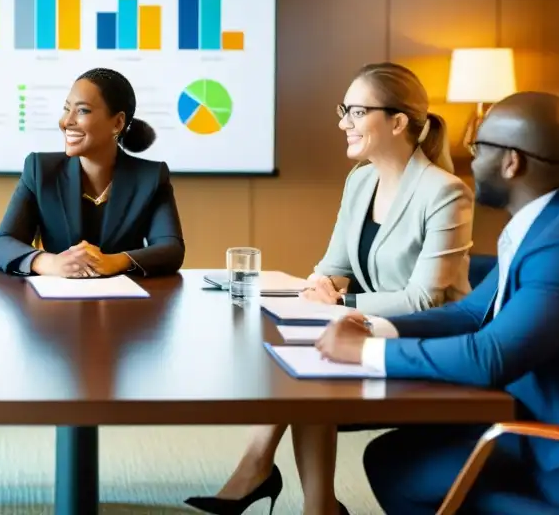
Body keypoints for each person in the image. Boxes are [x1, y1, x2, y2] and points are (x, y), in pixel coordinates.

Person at [187, 62, 475, 515]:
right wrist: (322, 283)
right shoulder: (360, 180)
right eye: (344, 110)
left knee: (309, 370)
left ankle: (271, 481)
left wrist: (342, 300)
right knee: (291, 356)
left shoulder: (445, 192)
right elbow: (332, 266)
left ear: (398, 122)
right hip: (368, 326)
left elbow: (425, 300)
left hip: (427, 342)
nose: (343, 123)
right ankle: (308, 500)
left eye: (357, 112)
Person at [317, 91, 559, 515]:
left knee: (407, 472)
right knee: (393, 461)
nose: (470, 163)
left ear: (512, 161)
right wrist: (374, 327)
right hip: (528, 420)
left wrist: (364, 351)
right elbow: (475, 313)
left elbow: (490, 355)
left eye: (480, 149)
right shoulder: (545, 222)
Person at [0, 67, 184, 278]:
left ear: (117, 122)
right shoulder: (40, 169)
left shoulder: (151, 177)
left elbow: (171, 249)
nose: (66, 122)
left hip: (126, 305)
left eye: (82, 110)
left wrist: (115, 261)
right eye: (66, 109)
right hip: (55, 305)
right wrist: (50, 262)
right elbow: (1, 244)